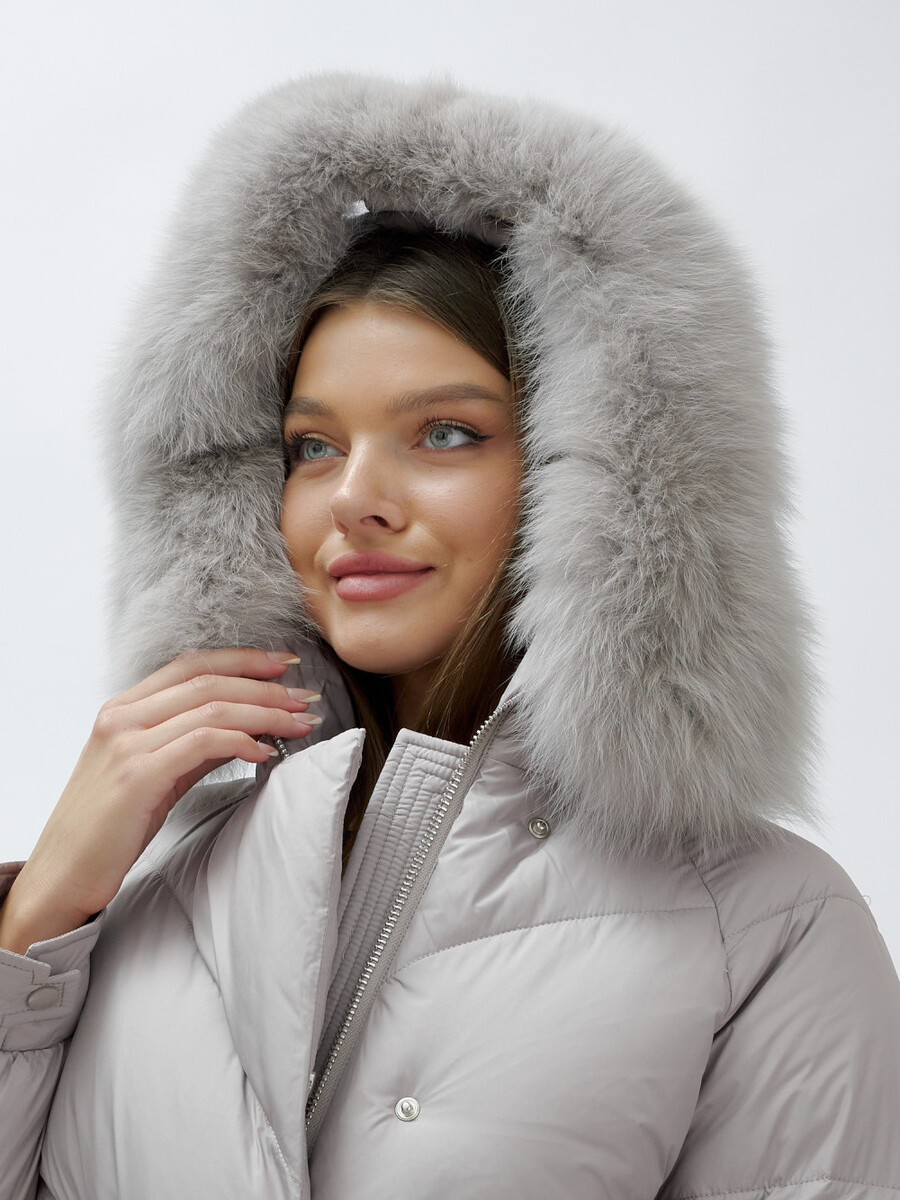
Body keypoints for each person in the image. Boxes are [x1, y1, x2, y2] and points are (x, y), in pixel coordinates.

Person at [0, 72, 898, 1200]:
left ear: (603, 477)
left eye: (444, 433)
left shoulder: (761, 928)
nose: (354, 500)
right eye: (313, 448)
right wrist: (36, 920)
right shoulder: (145, 883)